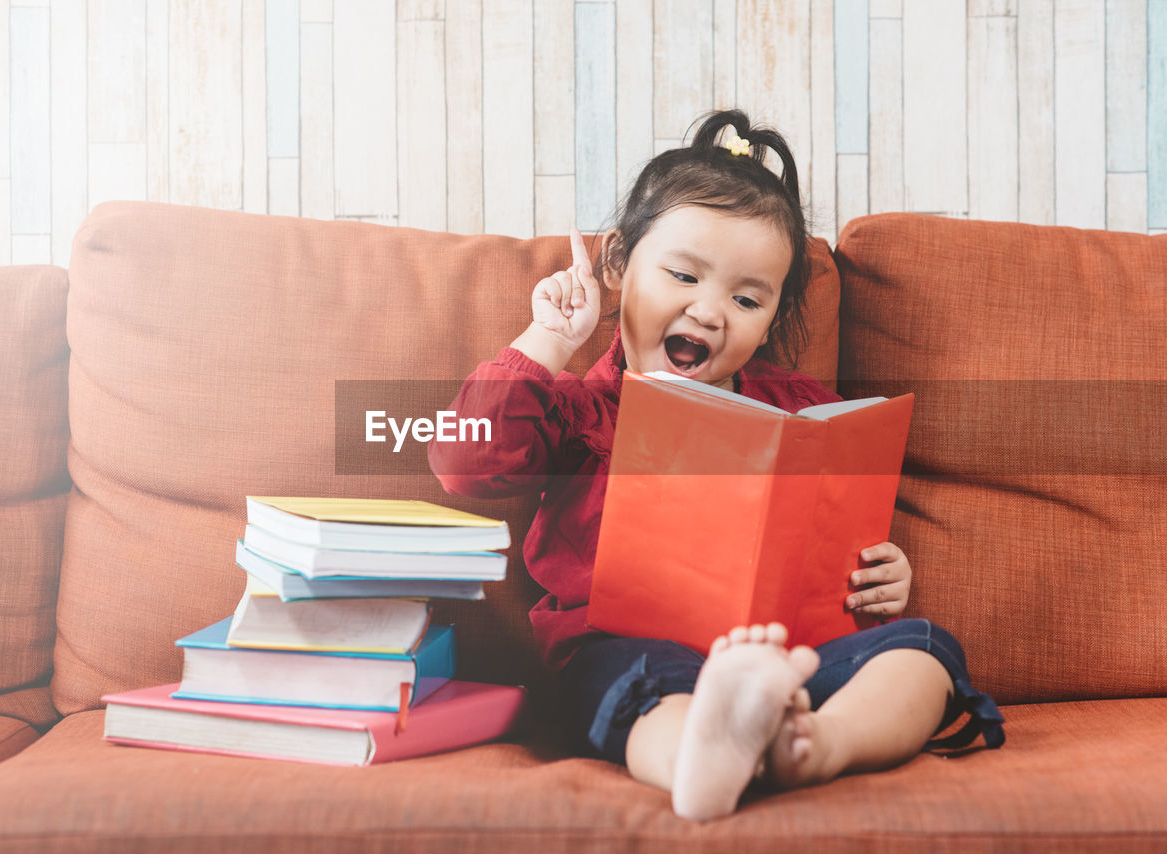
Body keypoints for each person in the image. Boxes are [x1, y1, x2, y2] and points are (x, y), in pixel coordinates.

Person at [428, 108, 1003, 822]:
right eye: (682, 275)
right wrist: (549, 339)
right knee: (640, 693)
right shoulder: (576, 409)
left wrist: (884, 576)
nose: (708, 311)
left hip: (788, 663)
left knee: (924, 650)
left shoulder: (801, 413)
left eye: (746, 298)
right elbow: (465, 460)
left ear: (773, 317)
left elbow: (836, 543)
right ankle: (699, 757)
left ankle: (817, 745)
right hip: (626, 656)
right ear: (617, 265)